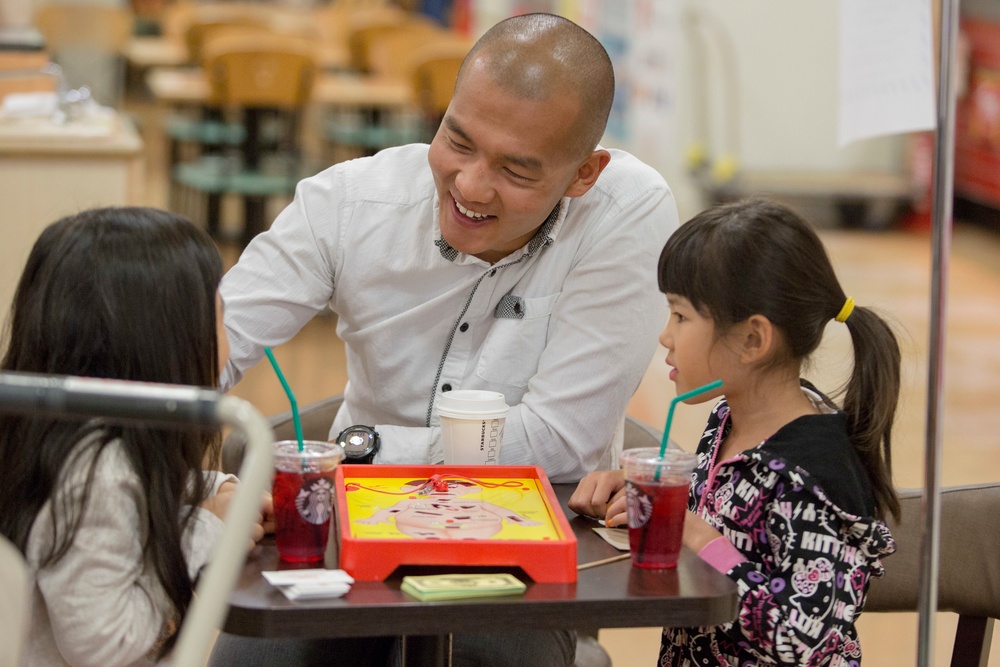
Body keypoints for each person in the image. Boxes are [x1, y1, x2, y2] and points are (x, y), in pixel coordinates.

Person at [219, 12, 677, 484]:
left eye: (515, 171)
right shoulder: (350, 203)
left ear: (585, 174)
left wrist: (368, 450)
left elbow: (561, 442)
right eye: (457, 141)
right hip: (359, 501)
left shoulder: (623, 210)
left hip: (550, 521)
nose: (471, 187)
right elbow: (212, 344)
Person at [569, 197, 899, 665]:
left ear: (752, 339)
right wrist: (647, 494)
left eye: (680, 316)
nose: (665, 335)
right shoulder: (728, 420)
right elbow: (722, 518)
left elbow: (804, 640)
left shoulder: (812, 476)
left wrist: (703, 542)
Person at [0, 207, 268, 666]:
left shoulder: (61, 440)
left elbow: (127, 497)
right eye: (220, 311)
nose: (228, 329)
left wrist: (210, 489)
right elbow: (106, 646)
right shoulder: (97, 473)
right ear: (166, 340)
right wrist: (208, 530)